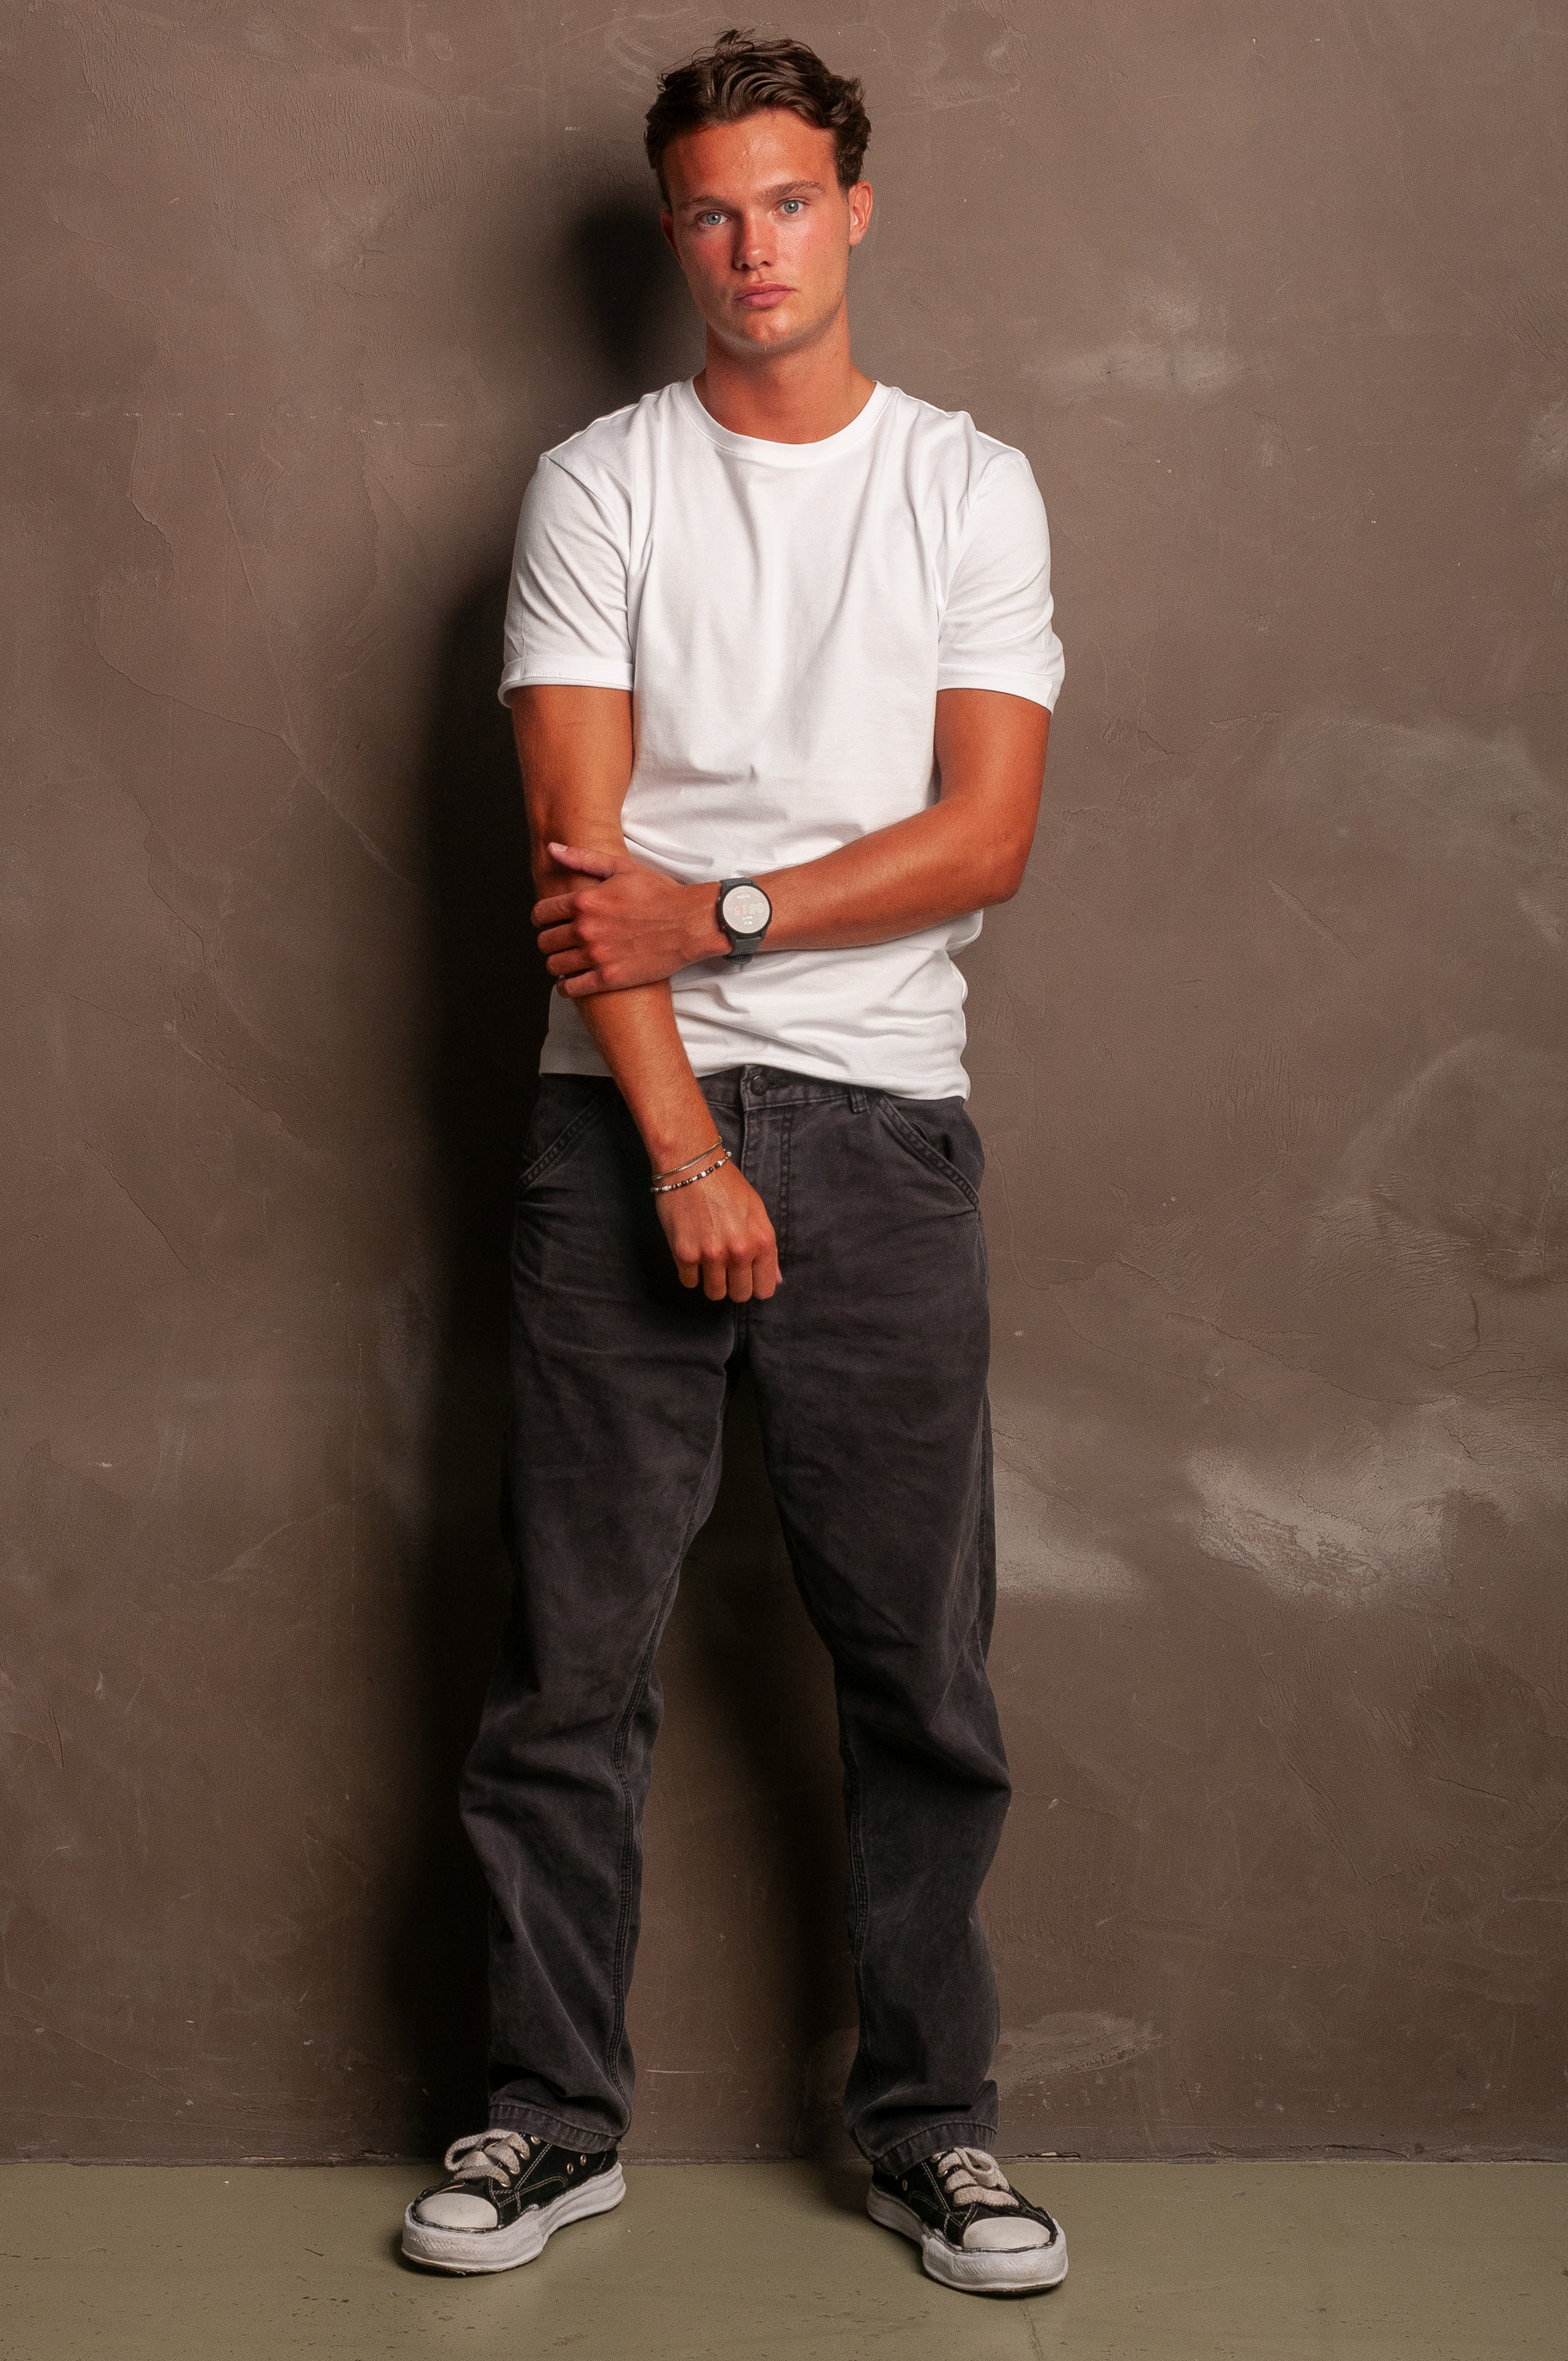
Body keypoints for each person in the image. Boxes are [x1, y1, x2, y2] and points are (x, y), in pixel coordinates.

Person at [402, 28, 1067, 2298]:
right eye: (711, 210)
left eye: (788, 201)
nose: (752, 246)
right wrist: (682, 1145)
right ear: (673, 232)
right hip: (622, 1127)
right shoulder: (600, 487)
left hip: (889, 1132)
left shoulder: (969, 486)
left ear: (853, 207)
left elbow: (987, 834)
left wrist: (736, 911)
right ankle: (548, 2118)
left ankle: (935, 2131)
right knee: (569, 1667)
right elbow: (580, 870)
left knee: (921, 1677)